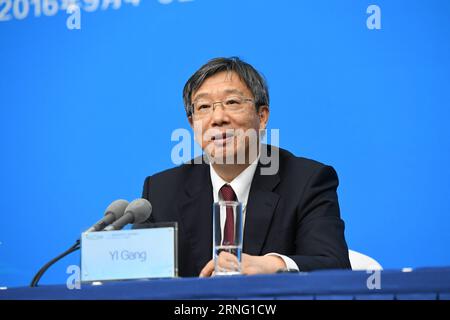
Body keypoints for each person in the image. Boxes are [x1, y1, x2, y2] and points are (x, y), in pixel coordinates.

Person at [134, 57, 351, 277]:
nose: (218, 118)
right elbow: (137, 277)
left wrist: (271, 265)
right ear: (192, 124)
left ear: (262, 116)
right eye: (204, 107)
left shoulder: (306, 181)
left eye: (232, 102)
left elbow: (334, 264)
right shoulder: (161, 191)